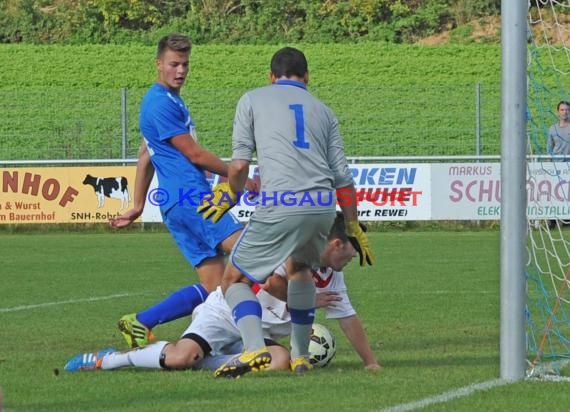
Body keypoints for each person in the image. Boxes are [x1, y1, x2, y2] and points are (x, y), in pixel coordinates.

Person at [197, 46, 375, 378]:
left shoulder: (252, 99)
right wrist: (352, 225)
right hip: (322, 207)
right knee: (300, 271)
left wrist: (230, 194)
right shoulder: (324, 111)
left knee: (233, 279)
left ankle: (253, 350)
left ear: (271, 77)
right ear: (307, 77)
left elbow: (238, 165)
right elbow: (344, 179)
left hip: (281, 203)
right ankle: (300, 357)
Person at [64, 214, 380, 373]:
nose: (352, 260)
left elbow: (348, 317)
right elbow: (271, 284)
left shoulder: (332, 274)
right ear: (336, 244)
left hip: (254, 334)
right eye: (351, 253)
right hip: (225, 314)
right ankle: (110, 360)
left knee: (280, 360)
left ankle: (216, 359)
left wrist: (370, 364)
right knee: (178, 358)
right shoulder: (297, 250)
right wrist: (310, 301)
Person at [109, 33, 256, 348]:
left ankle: (140, 321)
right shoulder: (159, 103)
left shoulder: (169, 100)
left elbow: (145, 155)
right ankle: (281, 332)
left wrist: (137, 204)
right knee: (255, 252)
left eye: (185, 64)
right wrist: (239, 175)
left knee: (215, 285)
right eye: (174, 64)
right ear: (158, 64)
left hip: (178, 204)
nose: (180, 70)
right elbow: (195, 155)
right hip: (193, 200)